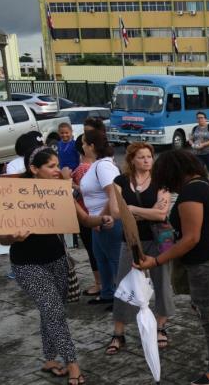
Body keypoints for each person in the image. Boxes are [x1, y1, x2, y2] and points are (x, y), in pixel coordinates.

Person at [138, 150, 209, 385]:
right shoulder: (206, 184)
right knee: (203, 306)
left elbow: (190, 239)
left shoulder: (191, 193)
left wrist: (157, 261)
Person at [0, 146, 86, 385]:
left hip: (57, 259)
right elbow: (1, 238)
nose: (57, 170)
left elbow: (83, 216)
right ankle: (72, 363)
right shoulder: (15, 196)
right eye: (51, 166)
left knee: (52, 310)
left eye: (57, 165)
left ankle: (49, 359)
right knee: (54, 311)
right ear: (34, 169)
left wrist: (102, 220)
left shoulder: (60, 191)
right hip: (26, 264)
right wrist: (12, 237)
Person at [106, 142, 174, 355]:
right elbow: (116, 212)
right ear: (132, 160)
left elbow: (161, 214)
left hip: (158, 240)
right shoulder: (120, 181)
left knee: (162, 282)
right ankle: (119, 332)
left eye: (149, 156)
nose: (146, 160)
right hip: (130, 239)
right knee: (124, 284)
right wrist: (147, 210)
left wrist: (132, 209)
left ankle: (161, 327)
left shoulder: (161, 181)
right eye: (141, 157)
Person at [79, 120, 123, 306]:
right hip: (97, 221)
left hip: (107, 221)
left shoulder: (104, 166)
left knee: (114, 261)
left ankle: (121, 298)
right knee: (102, 259)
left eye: (83, 143)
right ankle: (107, 293)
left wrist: (101, 218)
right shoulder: (97, 164)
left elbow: (113, 194)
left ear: (91, 146)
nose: (81, 147)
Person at [71, 129, 102, 296]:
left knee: (93, 251)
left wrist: (68, 183)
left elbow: (84, 191)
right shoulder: (100, 165)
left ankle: (99, 283)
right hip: (97, 214)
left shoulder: (83, 168)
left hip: (87, 214)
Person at [188, 112, 209, 185]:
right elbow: (190, 139)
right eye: (198, 118)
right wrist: (192, 144)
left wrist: (203, 145)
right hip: (198, 154)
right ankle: (202, 185)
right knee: (199, 171)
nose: (200, 119)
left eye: (201, 118)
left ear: (205, 119)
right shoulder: (195, 128)